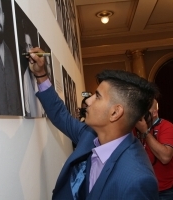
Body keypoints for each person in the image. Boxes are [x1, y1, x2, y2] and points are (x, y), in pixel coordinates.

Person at [29, 47, 159, 199]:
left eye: (97, 96)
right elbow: (60, 115)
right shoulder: (89, 135)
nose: (88, 101)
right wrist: (41, 75)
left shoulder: (137, 179)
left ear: (115, 112)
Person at [135, 99, 173, 199]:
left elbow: (165, 157)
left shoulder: (167, 127)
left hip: (164, 190)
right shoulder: (135, 127)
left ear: (154, 113)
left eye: (144, 111)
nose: (140, 116)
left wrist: (145, 132)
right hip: (141, 187)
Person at [20, 19, 45, 118]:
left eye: (30, 46)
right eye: (26, 46)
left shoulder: (38, 76)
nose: (29, 50)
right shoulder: (24, 76)